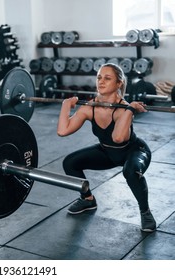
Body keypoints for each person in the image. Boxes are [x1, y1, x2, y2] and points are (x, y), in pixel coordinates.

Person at [57, 62, 156, 232]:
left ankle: (145, 212)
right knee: (70, 163)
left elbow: (118, 138)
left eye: (107, 78)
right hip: (107, 152)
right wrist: (66, 107)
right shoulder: (89, 108)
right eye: (99, 77)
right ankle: (87, 199)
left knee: (131, 172)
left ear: (119, 84)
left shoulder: (123, 109)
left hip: (133, 151)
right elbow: (63, 131)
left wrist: (130, 110)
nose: (101, 81)